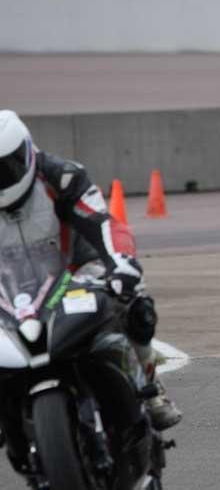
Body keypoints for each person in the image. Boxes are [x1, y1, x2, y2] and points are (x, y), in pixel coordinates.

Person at [0, 110, 182, 431]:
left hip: (74, 269)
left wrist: (122, 264)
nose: (3, 178)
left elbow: (105, 224)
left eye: (8, 167)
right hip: (9, 286)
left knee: (135, 303)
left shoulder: (61, 177)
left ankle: (151, 389)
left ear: (27, 152)